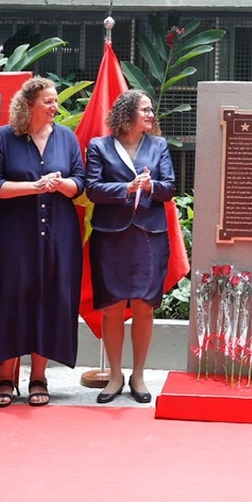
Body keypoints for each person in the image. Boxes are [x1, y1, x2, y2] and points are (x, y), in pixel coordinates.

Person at [0, 77, 85, 407]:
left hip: (59, 234)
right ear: (29, 105)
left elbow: (80, 183)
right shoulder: (5, 137)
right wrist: (35, 186)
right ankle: (5, 378)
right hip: (14, 234)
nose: (55, 107)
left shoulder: (66, 138)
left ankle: (38, 376)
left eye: (56, 101)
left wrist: (62, 184)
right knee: (10, 298)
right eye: (48, 102)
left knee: (50, 298)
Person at [84, 89, 175, 405]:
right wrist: (126, 187)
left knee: (143, 306)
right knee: (111, 307)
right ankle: (115, 375)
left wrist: (151, 186)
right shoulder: (99, 147)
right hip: (110, 236)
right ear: (126, 114)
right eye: (145, 110)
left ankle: (138, 375)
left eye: (152, 110)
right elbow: (92, 188)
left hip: (149, 236)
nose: (151, 115)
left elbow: (170, 187)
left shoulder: (159, 146)